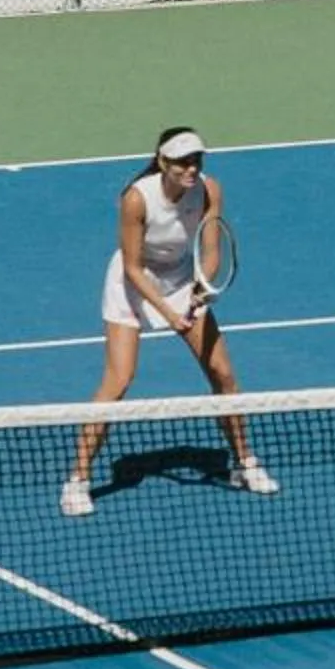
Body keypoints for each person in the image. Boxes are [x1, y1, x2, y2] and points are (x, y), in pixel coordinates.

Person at [59, 126, 276, 516]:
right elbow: (132, 266)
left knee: (223, 374)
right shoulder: (136, 199)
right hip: (132, 284)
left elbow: (210, 251)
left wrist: (202, 288)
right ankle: (77, 479)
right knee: (119, 380)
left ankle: (245, 464)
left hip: (179, 280)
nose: (191, 169)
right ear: (162, 162)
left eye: (197, 160)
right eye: (182, 162)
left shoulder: (210, 189)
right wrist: (169, 313)